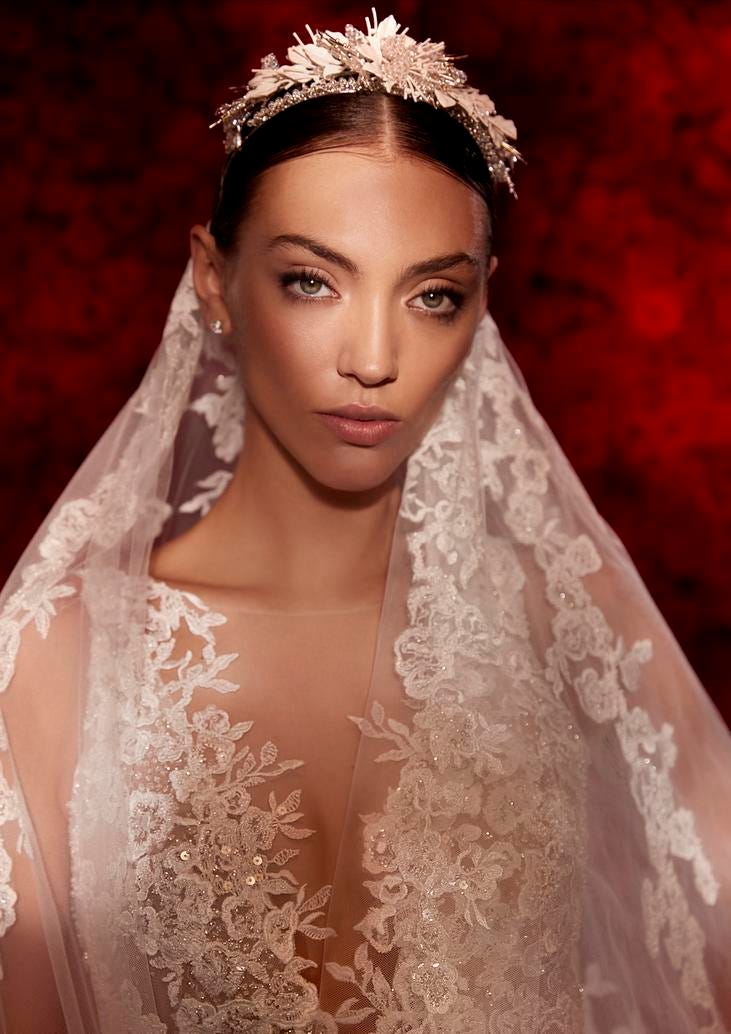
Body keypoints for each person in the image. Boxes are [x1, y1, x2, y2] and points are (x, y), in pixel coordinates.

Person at [0, 9, 728, 1033]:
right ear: (214, 280)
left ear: (481, 307)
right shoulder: (59, 651)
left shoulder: (557, 616)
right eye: (311, 280)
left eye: (432, 294)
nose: (373, 356)